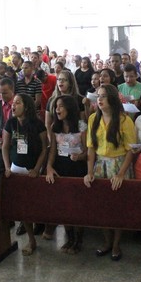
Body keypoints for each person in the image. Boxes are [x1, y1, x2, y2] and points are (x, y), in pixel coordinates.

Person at [84, 84, 136, 261]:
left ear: (112, 99)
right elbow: (91, 148)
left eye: (103, 96)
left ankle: (116, 243)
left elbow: (130, 150)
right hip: (100, 165)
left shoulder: (124, 120)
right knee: (102, 206)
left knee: (117, 206)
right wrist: (89, 172)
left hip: (118, 164)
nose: (99, 99)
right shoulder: (93, 118)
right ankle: (107, 241)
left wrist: (121, 174)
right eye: (98, 96)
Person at [1, 93, 48, 256]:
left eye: (17, 103)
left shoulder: (38, 124)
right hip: (16, 167)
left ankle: (44, 226)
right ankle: (31, 240)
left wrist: (37, 168)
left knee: (37, 204)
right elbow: (5, 146)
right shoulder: (11, 123)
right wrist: (7, 167)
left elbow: (45, 148)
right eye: (13, 103)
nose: (13, 106)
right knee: (23, 206)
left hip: (33, 169)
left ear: (26, 106)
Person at [45, 95, 88, 254]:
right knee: (64, 205)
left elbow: (88, 151)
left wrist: (80, 156)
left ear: (69, 108)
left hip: (77, 168)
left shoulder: (81, 125)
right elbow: (52, 151)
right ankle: (69, 237)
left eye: (61, 106)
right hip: (60, 168)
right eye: (56, 106)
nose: (57, 109)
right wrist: (49, 167)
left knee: (77, 205)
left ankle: (78, 240)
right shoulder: (55, 127)